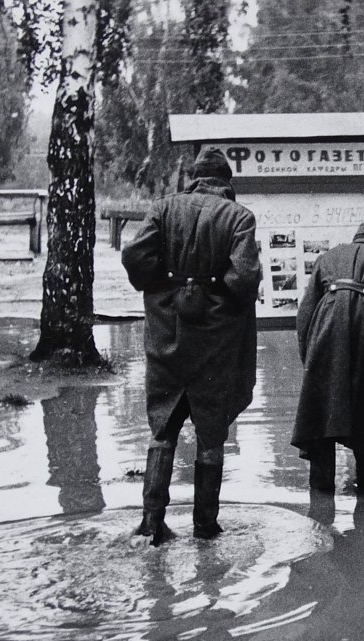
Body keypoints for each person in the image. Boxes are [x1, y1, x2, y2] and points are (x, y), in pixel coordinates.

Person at [121, 147, 261, 545]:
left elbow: (134, 255)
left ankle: (151, 523)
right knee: (211, 434)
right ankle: (205, 526)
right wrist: (218, 294)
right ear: (226, 182)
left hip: (166, 335)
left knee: (162, 429)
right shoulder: (239, 217)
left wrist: (164, 286)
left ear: (194, 177)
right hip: (214, 342)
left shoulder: (163, 209)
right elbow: (244, 278)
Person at [291, 221, 364, 493]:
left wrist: (308, 358)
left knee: (321, 409)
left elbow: (305, 314)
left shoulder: (327, 258)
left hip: (325, 333)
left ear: (355, 239)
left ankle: (321, 494)